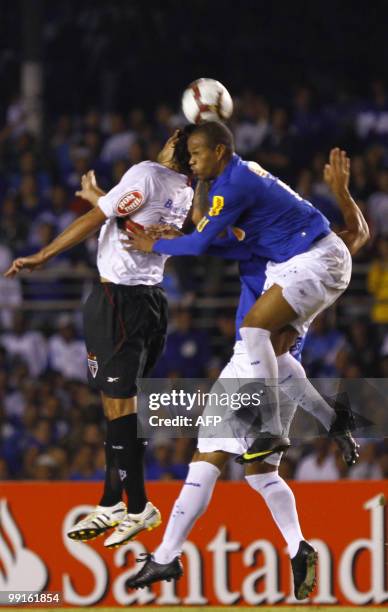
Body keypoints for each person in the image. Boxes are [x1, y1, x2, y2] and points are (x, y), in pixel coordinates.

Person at [125, 147, 369, 599]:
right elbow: (357, 233)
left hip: (250, 362)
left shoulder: (258, 245)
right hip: (277, 364)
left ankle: (164, 557)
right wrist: (342, 193)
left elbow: (202, 230)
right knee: (260, 475)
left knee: (206, 461)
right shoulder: (302, 247)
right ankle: (297, 546)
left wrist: (165, 222)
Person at [127, 122, 361, 463]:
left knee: (253, 330)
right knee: (276, 357)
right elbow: (219, 246)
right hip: (306, 264)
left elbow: (201, 242)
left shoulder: (233, 188)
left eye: (196, 153)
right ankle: (333, 420)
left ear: (218, 151)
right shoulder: (245, 197)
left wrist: (156, 244)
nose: (191, 161)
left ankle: (270, 429)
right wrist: (180, 241)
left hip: (314, 260)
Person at [4, 130, 194, 549]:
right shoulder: (183, 189)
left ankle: (139, 504)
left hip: (119, 300)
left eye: (171, 136)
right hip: (150, 300)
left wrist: (43, 255)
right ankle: (112, 501)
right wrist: (100, 196)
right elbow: (128, 216)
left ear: (174, 145)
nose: (163, 139)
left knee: (118, 406)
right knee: (121, 408)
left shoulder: (147, 172)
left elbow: (98, 220)